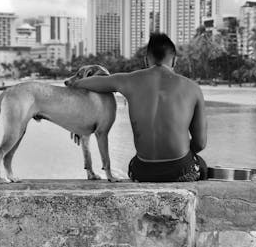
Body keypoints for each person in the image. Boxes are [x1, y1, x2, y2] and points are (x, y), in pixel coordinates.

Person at [68, 33, 208, 182]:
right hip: (179, 171)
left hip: (143, 171)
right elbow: (200, 143)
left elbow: (81, 83)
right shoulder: (193, 88)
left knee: (133, 164)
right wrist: (179, 154)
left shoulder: (128, 80)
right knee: (203, 166)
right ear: (174, 60)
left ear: (146, 60)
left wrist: (76, 110)